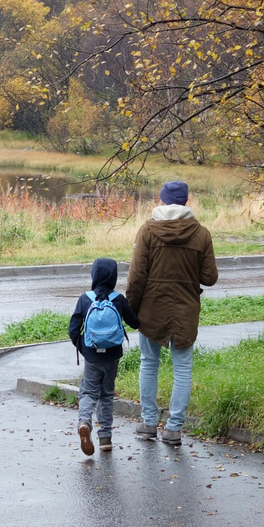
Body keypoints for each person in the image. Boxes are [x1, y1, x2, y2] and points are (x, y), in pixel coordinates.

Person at [125, 179, 218, 445]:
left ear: (162, 201)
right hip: (186, 311)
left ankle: (149, 422)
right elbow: (209, 278)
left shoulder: (148, 231)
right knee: (183, 369)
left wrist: (130, 311)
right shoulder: (201, 234)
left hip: (151, 310)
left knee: (149, 364)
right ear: (187, 202)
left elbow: (136, 277)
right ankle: (174, 428)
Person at [66, 257, 128, 457]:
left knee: (88, 393)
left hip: (92, 355)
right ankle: (105, 439)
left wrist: (84, 348)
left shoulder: (85, 299)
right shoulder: (118, 299)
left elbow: (73, 329)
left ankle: (84, 423)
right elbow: (135, 322)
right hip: (113, 355)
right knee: (106, 395)